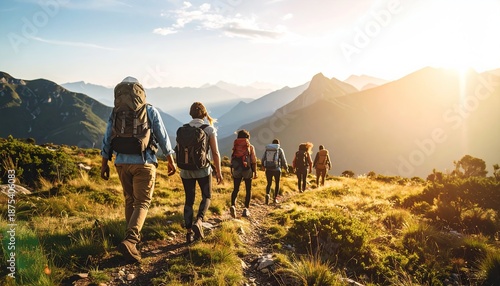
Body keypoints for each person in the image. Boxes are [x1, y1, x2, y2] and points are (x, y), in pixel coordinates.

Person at [101, 76, 176, 263]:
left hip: (121, 162)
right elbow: (162, 135)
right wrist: (170, 158)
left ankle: (130, 241)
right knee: (142, 202)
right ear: (140, 92)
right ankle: (131, 240)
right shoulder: (149, 110)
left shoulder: (116, 112)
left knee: (130, 200)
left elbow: (107, 136)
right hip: (144, 161)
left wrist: (104, 162)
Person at [178, 102, 223, 244]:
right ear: (204, 114)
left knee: (189, 200)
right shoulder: (209, 129)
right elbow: (215, 153)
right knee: (207, 196)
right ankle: (199, 221)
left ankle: (188, 233)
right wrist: (219, 172)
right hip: (203, 170)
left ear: (190, 114)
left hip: (185, 171)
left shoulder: (183, 129)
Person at [229, 130, 257, 218]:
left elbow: (232, 159)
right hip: (247, 169)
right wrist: (255, 171)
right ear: (247, 137)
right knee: (248, 189)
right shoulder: (250, 147)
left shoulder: (236, 146)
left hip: (237, 169)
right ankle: (246, 209)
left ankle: (233, 205)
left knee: (236, 189)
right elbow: (253, 160)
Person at [261, 139, 288, 204]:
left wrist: (263, 166)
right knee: (277, 183)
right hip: (277, 169)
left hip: (268, 169)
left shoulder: (268, 150)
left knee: (269, 183)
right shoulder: (279, 150)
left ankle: (267, 194)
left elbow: (263, 158)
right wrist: (286, 168)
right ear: (278, 144)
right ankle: (275, 198)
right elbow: (283, 160)